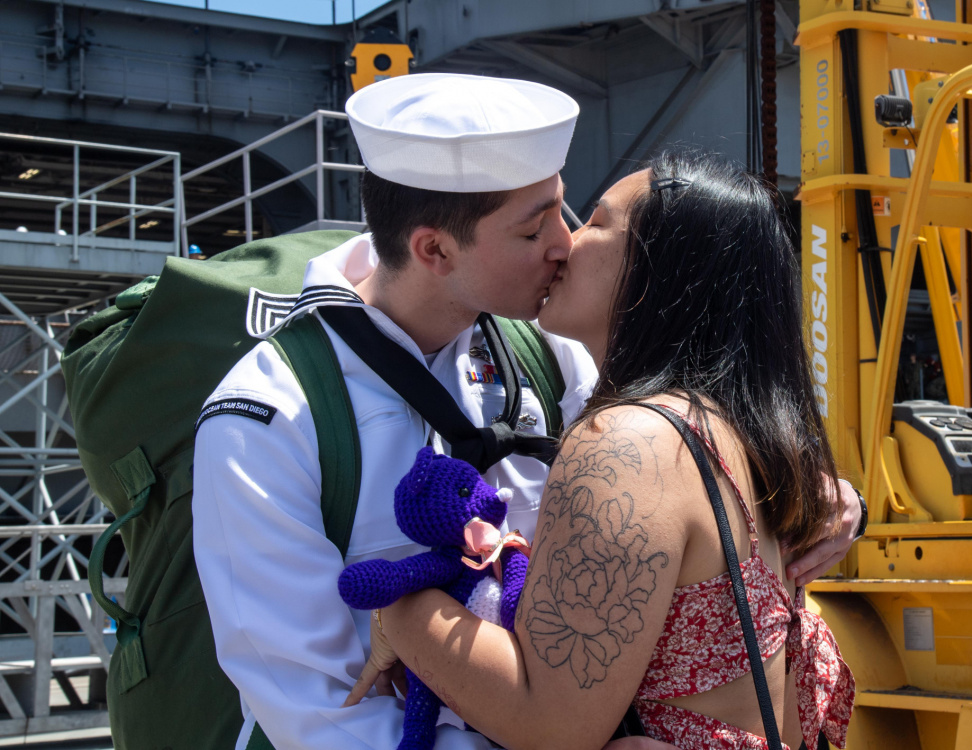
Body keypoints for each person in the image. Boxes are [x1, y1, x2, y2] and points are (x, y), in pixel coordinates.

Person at [192, 73, 861, 750]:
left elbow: (689, 445)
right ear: (435, 249)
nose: (564, 243)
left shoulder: (551, 355)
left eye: (567, 212)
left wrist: (826, 498)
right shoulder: (272, 416)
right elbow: (316, 707)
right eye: (533, 226)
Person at [366, 151, 856, 750]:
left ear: (660, 271)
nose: (565, 244)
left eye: (595, 223)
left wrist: (401, 611)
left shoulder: (627, 443)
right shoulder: (728, 428)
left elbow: (548, 724)